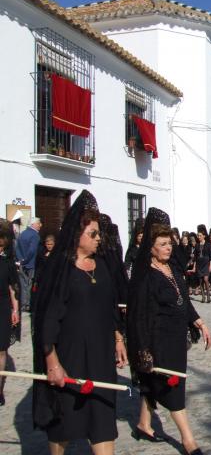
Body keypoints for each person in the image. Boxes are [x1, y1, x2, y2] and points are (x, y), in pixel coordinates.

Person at [32, 191, 127, 455]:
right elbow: (47, 320)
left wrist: (118, 338)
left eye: (99, 235)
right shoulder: (60, 269)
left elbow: (110, 306)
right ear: (77, 234)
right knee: (64, 425)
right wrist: (52, 362)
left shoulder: (102, 266)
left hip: (100, 357)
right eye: (93, 234)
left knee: (102, 422)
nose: (99, 240)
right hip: (69, 357)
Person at [127, 209, 211, 455]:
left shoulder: (172, 270)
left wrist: (199, 323)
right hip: (158, 341)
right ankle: (188, 441)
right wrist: (142, 350)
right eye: (162, 244)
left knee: (154, 383)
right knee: (173, 387)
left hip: (177, 341)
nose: (168, 248)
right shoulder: (145, 277)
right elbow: (139, 318)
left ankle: (143, 423)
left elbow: (182, 300)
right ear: (150, 248)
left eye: (169, 243)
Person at [0, 222, 19, 406]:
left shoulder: (7, 262)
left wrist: (15, 309)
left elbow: (12, 288)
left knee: (1, 349)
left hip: (2, 307)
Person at [15, 217, 42, 311]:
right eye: (39, 223)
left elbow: (17, 248)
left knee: (23, 285)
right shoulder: (35, 235)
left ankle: (22, 304)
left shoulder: (22, 234)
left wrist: (20, 260)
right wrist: (25, 260)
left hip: (21, 263)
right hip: (31, 264)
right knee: (30, 285)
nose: (40, 225)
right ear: (33, 224)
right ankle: (28, 304)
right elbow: (32, 251)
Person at [194, 232, 210, 303]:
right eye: (198, 236)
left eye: (200, 235)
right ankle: (203, 297)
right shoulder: (197, 245)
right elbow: (195, 256)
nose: (199, 237)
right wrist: (194, 266)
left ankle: (208, 296)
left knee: (206, 279)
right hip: (199, 264)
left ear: (204, 236)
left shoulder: (208, 244)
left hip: (206, 264)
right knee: (200, 281)